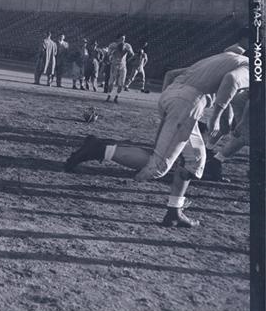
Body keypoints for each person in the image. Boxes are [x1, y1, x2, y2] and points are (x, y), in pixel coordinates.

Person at [64, 47, 249, 228]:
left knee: (195, 160)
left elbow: (171, 74)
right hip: (188, 103)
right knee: (159, 167)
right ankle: (98, 148)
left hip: (172, 95)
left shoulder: (223, 58)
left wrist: (171, 110)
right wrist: (216, 117)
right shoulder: (251, 66)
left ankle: (174, 212)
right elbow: (231, 80)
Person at [105, 34, 134, 103]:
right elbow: (108, 55)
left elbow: (132, 54)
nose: (123, 40)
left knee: (121, 82)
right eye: (121, 39)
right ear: (117, 39)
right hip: (114, 65)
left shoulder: (127, 45)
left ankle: (116, 96)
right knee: (111, 81)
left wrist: (128, 55)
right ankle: (109, 95)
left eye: (124, 39)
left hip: (123, 66)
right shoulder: (113, 45)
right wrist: (114, 51)